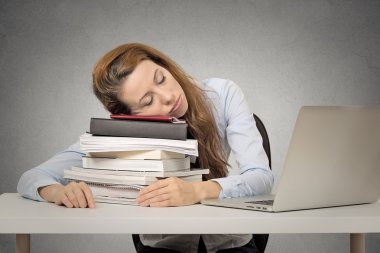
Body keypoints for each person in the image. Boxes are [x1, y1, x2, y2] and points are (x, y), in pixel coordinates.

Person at [17, 43, 274, 253]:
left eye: (161, 78)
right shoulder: (124, 133)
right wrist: (56, 193)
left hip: (230, 243)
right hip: (165, 246)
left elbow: (260, 177)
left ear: (164, 65)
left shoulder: (222, 94)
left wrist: (197, 191)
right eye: (148, 101)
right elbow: (32, 178)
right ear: (127, 116)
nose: (169, 97)